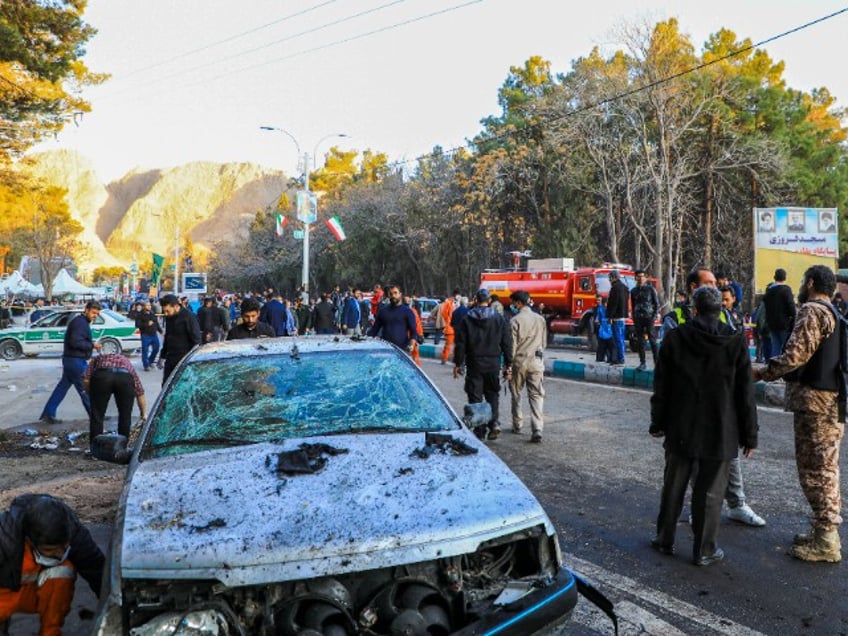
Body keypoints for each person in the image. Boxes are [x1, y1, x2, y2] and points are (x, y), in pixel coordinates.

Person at [650, 286, 758, 566]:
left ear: (694, 309)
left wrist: (657, 422)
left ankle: (664, 539)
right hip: (720, 430)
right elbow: (745, 393)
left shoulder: (675, 338)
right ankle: (704, 550)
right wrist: (750, 435)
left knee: (673, 485)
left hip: (681, 426)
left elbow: (662, 387)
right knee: (711, 493)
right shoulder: (735, 342)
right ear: (721, 310)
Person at [662, 267, 767, 528]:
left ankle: (737, 504)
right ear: (692, 289)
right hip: (689, 405)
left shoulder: (727, 317)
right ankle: (695, 514)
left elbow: (737, 361)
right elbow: (667, 365)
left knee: (727, 458)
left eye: (716, 284)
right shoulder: (675, 318)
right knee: (691, 462)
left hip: (720, 403)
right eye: (708, 283)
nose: (716, 287)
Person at [754, 265, 844, 562]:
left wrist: (763, 372)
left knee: (816, 471)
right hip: (830, 402)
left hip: (815, 404)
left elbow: (795, 356)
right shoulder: (835, 313)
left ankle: (827, 540)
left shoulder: (812, 311)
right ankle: (822, 531)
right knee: (824, 468)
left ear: (811, 282)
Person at [0, 494, 104, 636]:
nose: (59, 554)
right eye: (49, 550)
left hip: (36, 591)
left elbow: (98, 572)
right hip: (4, 592)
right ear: (29, 541)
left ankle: (50, 631)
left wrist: (112, 609)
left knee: (63, 571)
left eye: (63, 547)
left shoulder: (75, 534)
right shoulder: (4, 539)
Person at [454, 289, 513, 441]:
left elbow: (461, 344)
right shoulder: (499, 319)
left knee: (475, 396)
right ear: (489, 301)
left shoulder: (467, 319)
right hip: (493, 363)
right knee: (493, 394)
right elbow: (507, 343)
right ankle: (494, 424)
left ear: (475, 300)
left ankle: (480, 431)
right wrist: (508, 364)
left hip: (474, 363)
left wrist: (458, 363)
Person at [39, 301, 103, 425]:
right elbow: (75, 342)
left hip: (71, 359)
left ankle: (48, 413)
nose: (95, 316)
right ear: (86, 310)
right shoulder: (80, 323)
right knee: (85, 388)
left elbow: (78, 340)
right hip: (75, 361)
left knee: (62, 388)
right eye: (94, 313)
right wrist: (92, 345)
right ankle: (95, 416)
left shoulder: (81, 322)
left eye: (97, 314)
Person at [82, 352, 146, 446]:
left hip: (102, 376)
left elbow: (86, 379)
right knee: (125, 415)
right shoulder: (126, 361)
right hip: (124, 378)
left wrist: (91, 392)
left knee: (97, 415)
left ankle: (95, 449)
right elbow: (139, 390)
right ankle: (122, 447)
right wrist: (143, 413)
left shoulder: (97, 358)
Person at [508, 290, 547, 443]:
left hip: (519, 362)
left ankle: (518, 424)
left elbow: (512, 346)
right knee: (536, 395)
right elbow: (543, 343)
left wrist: (508, 366)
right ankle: (537, 427)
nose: (512, 306)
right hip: (537, 363)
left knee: (516, 393)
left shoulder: (515, 321)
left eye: (513, 303)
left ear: (518, 303)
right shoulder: (540, 319)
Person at [156, 294, 202, 386]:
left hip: (184, 359)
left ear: (176, 306)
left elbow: (196, 341)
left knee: (182, 386)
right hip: (171, 358)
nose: (166, 314)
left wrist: (191, 359)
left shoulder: (189, 317)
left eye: (168, 311)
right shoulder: (169, 318)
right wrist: (162, 356)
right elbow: (168, 338)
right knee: (166, 386)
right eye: (164, 311)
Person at [367, 285, 418, 352]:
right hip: (385, 351)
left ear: (400, 294)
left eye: (395, 293)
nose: (393, 295)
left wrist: (411, 345)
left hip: (402, 352)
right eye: (391, 294)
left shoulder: (408, 312)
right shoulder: (383, 311)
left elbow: (413, 332)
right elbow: (374, 330)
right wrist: (364, 339)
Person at [630, 269, 660, 371]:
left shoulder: (650, 289)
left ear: (645, 278)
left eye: (642, 276)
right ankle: (642, 363)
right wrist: (634, 317)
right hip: (638, 318)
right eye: (639, 276)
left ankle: (657, 363)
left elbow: (656, 304)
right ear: (635, 278)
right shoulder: (633, 291)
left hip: (649, 317)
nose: (641, 278)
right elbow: (633, 305)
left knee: (653, 341)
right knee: (640, 341)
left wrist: (654, 316)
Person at [763, 268, 796, 357]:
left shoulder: (768, 292)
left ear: (774, 277)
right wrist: (794, 318)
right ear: (785, 278)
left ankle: (773, 367)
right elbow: (791, 307)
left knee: (775, 348)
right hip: (784, 324)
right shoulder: (786, 290)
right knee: (787, 348)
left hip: (772, 324)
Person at [605, 270, 629, 365]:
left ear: (613, 277)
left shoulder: (615, 288)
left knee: (617, 339)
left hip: (616, 317)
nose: (609, 279)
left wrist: (610, 316)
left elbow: (613, 304)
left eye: (610, 277)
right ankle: (620, 357)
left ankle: (620, 359)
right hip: (623, 316)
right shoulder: (625, 287)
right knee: (621, 338)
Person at [135, 300, 162, 372]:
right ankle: (146, 365)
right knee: (145, 351)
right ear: (144, 307)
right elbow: (137, 325)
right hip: (145, 335)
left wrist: (161, 331)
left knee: (156, 348)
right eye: (147, 305)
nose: (149, 307)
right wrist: (147, 324)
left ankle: (150, 361)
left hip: (154, 334)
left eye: (149, 305)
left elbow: (156, 323)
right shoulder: (140, 315)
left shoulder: (152, 313)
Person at [440, 290, 460, 365]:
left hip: (456, 328)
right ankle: (444, 358)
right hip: (451, 328)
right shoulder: (448, 303)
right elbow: (444, 313)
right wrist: (448, 320)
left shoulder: (459, 303)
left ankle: (455, 359)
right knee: (448, 345)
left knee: (456, 346)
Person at [593, 294, 614, 363]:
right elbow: (598, 318)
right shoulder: (600, 308)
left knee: (608, 346)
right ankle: (601, 358)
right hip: (603, 330)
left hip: (606, 330)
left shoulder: (606, 309)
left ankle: (608, 358)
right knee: (603, 346)